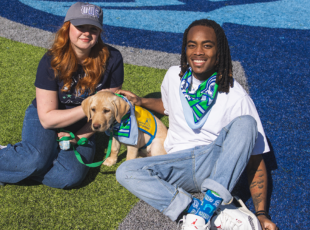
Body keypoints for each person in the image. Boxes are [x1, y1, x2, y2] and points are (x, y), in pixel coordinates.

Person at [116, 19, 278, 230]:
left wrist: (262, 214)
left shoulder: (235, 95)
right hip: (177, 162)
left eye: (207, 45)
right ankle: (199, 211)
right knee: (126, 170)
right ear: (185, 49)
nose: (198, 52)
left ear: (219, 51)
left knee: (247, 123)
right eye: (192, 45)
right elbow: (169, 106)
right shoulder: (173, 76)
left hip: (213, 163)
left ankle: (207, 206)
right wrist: (142, 101)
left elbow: (255, 160)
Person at [0, 2, 124, 188]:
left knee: (68, 177)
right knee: (37, 159)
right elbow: (47, 119)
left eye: (93, 28)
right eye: (80, 26)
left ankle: (18, 156)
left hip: (85, 125)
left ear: (100, 32)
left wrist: (79, 136)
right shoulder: (51, 60)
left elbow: (108, 111)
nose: (86, 33)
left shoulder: (112, 59)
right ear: (68, 27)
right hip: (46, 115)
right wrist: (88, 106)